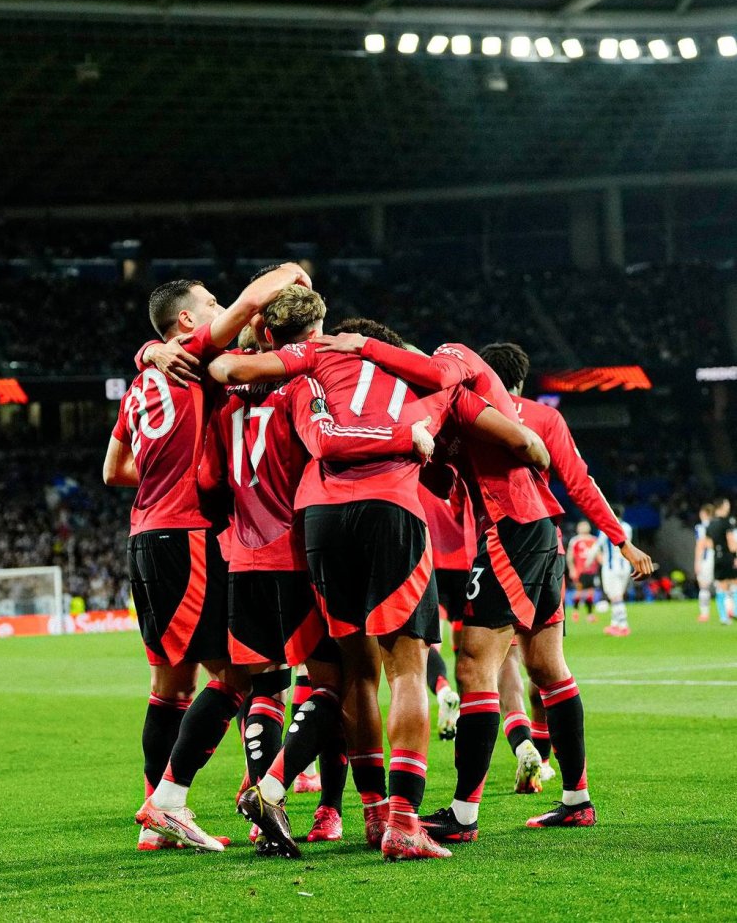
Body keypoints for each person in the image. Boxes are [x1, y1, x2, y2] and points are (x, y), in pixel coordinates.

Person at [207, 309, 548, 859]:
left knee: (356, 675)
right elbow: (521, 441)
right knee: (408, 671)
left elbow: (231, 371)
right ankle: (403, 823)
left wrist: (151, 353)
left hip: (317, 518)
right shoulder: (430, 379)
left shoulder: (316, 367)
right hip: (390, 510)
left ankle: (365, 813)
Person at [311, 332, 607, 833]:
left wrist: (363, 345)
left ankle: (465, 815)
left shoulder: (451, 378)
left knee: (472, 664)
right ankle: (577, 799)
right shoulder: (430, 411)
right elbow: (447, 483)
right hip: (528, 529)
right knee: (544, 664)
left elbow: (523, 440)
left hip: (510, 527)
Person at [103, 265, 310, 852]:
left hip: (144, 534)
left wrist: (147, 356)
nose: (224, 309)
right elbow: (268, 287)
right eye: (212, 303)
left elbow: (113, 471)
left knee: (169, 686)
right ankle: (171, 800)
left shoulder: (144, 382)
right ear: (189, 321)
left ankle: (158, 816)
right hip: (187, 536)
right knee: (242, 673)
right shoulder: (191, 353)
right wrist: (295, 277)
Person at [478, 342, 653, 779]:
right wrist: (621, 542)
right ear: (521, 380)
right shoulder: (544, 417)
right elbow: (580, 484)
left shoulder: (472, 415)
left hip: (489, 543)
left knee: (488, 663)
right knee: (547, 665)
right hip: (543, 544)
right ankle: (573, 791)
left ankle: (468, 806)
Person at [419, 473, 475, 740]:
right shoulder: (463, 466)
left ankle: (442, 690)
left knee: (428, 643)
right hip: (467, 563)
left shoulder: (416, 466)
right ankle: (467, 716)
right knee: (465, 649)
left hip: (432, 563)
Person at [586, 507, 635, 636]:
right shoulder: (628, 527)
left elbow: (597, 545)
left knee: (615, 596)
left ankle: (623, 625)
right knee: (618, 595)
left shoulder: (606, 527)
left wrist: (589, 560)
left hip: (611, 567)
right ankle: (615, 624)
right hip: (625, 565)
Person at [704, 497, 737, 625]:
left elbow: (708, 543)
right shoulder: (727, 522)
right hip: (728, 556)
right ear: (722, 506)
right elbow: (731, 542)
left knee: (721, 586)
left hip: (717, 556)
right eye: (727, 504)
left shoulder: (710, 524)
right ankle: (735, 611)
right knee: (735, 583)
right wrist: (735, 555)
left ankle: (723, 617)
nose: (728, 506)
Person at [567, 521, 600, 623]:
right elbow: (570, 556)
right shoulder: (575, 540)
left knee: (590, 592)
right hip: (580, 571)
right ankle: (575, 612)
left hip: (592, 570)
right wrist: (572, 569)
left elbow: (598, 555)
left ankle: (590, 614)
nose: (583, 527)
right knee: (579, 592)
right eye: (581, 526)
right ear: (578, 528)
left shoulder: (594, 540)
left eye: (585, 525)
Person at [694, 503, 715, 622]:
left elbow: (700, 545)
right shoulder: (720, 525)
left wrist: (697, 562)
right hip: (720, 557)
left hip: (707, 559)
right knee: (725, 587)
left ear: (704, 513)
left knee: (703, 587)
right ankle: (729, 611)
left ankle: (704, 614)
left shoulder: (701, 527)